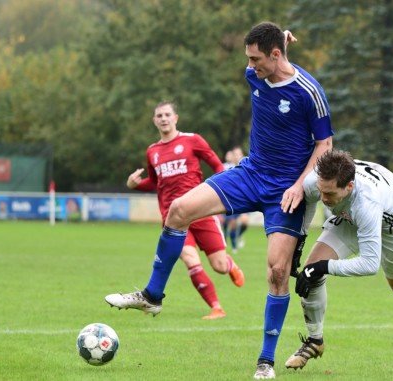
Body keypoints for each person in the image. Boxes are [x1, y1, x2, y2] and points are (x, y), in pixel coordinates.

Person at [105, 23, 333, 380]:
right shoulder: (255, 74)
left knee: (276, 272)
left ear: (275, 54)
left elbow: (325, 146)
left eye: (256, 58)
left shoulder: (309, 92)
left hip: (286, 191)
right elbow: (269, 58)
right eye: (248, 58)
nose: (250, 65)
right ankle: (152, 295)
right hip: (251, 173)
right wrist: (280, 44)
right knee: (178, 211)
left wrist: (300, 186)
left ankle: (265, 362)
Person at [285, 150, 393, 370]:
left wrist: (323, 267)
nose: (324, 198)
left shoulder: (366, 202)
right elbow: (310, 199)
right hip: (350, 216)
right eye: (322, 191)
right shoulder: (318, 180)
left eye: (330, 194)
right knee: (310, 269)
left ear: (349, 186)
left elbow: (369, 264)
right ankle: (315, 341)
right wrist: (299, 243)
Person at [106, 101, 245, 320]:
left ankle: (229, 264)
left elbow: (218, 167)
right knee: (191, 260)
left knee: (218, 265)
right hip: (174, 219)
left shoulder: (193, 140)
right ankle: (216, 307)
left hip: (202, 212)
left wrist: (219, 197)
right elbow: (154, 182)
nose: (163, 118)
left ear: (175, 118)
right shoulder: (152, 151)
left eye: (167, 114)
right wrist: (135, 184)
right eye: (159, 115)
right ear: (154, 121)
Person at [222, 146, 250, 253]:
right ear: (232, 156)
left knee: (244, 222)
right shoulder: (227, 167)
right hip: (231, 199)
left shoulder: (246, 166)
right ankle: (234, 246)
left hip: (244, 199)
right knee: (231, 222)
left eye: (239, 154)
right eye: (236, 154)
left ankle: (236, 236)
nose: (238, 156)